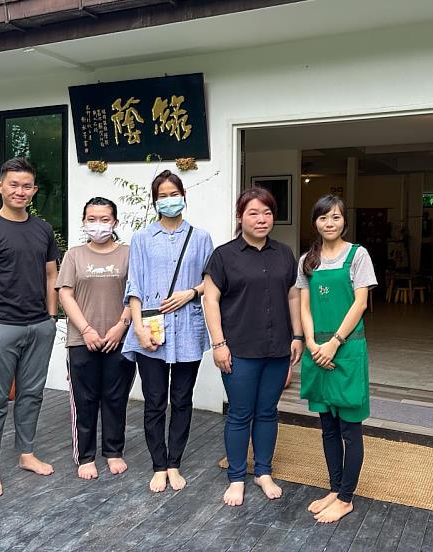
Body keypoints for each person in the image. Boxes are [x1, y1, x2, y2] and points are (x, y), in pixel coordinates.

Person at [203, 187, 304, 507]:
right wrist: (218, 344)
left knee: (267, 412)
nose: (261, 219)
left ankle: (263, 472)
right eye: (253, 213)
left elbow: (292, 295)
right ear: (240, 217)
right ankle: (236, 477)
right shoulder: (224, 255)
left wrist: (297, 336)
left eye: (267, 213)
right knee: (239, 414)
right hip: (239, 350)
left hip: (277, 349)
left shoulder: (284, 254)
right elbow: (210, 300)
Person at [0, 157, 59, 498]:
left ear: (34, 190)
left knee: (32, 395)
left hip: (39, 326)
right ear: (0, 186)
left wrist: (51, 317)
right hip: (2, 327)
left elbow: (51, 275)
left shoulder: (42, 229)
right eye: (13, 184)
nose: (20, 191)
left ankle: (27, 454)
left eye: (27, 186)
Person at [123, 170, 214, 493]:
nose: (168, 200)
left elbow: (211, 281)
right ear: (154, 201)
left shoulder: (200, 237)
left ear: (183, 197)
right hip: (150, 329)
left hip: (188, 328)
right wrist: (137, 328)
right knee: (155, 401)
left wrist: (191, 292)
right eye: (161, 195)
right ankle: (158, 465)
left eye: (173, 193)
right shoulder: (141, 239)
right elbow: (134, 286)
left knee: (182, 399)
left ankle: (174, 462)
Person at [297, 194, 376, 523]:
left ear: (345, 221)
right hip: (317, 351)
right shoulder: (307, 260)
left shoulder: (358, 255)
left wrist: (334, 343)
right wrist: (313, 343)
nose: (329, 224)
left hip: (347, 349)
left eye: (336, 218)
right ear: (315, 221)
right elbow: (303, 306)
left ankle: (346, 497)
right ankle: (334, 488)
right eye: (323, 218)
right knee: (327, 426)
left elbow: (360, 304)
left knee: (349, 428)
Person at [56, 197, 134, 480]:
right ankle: (86, 456)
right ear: (83, 221)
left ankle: (114, 451)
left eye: (104, 219)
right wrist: (86, 329)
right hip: (82, 340)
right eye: (92, 219)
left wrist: (121, 326)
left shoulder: (129, 253)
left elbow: (135, 293)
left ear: (115, 222)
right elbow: (65, 293)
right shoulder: (74, 255)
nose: (97, 225)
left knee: (116, 398)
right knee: (84, 399)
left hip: (120, 339)